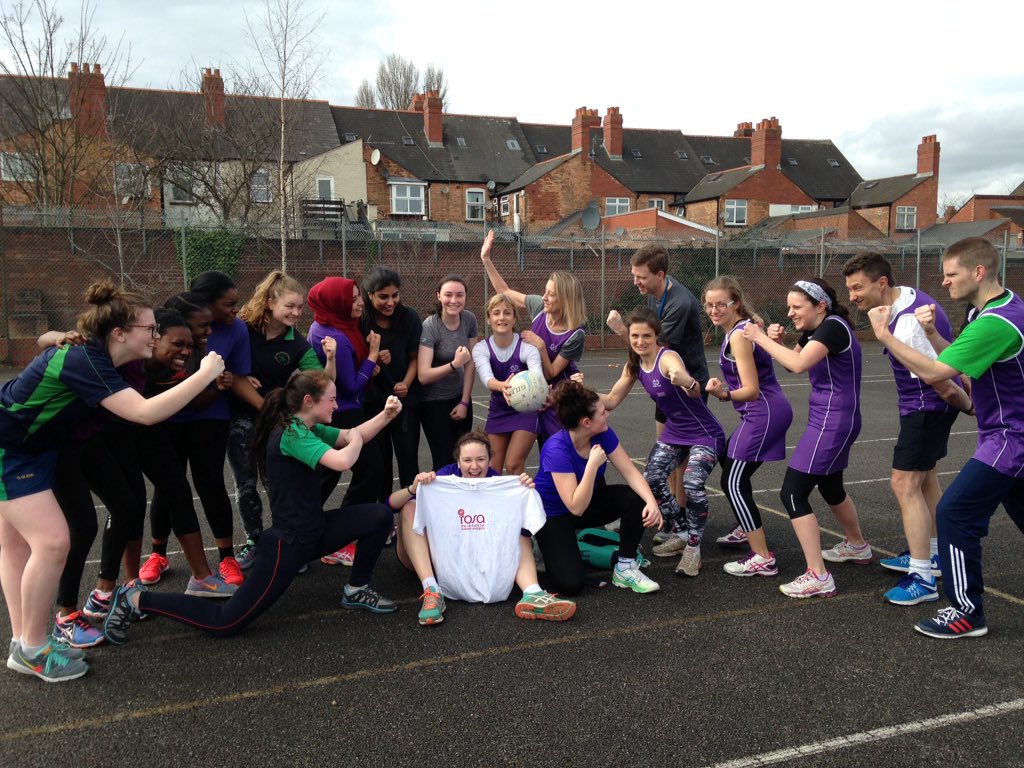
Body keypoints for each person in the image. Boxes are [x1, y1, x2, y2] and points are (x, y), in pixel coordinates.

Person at [0, 280, 224, 682]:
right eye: (150, 330)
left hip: (31, 446)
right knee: (52, 542)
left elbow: (53, 340)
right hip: (12, 448)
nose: (155, 336)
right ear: (120, 333)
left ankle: (24, 642)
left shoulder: (98, 353)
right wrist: (205, 373)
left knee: (15, 546)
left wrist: (52, 335)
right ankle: (34, 648)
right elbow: (143, 412)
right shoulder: (86, 359)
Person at [103, 372, 402, 645]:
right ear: (309, 401)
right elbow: (343, 460)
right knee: (225, 622)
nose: (336, 405)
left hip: (314, 532)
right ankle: (136, 599)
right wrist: (356, 437)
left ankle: (356, 589)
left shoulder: (306, 426)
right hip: (288, 545)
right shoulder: (292, 434)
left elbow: (351, 435)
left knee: (379, 516)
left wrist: (385, 416)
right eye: (332, 399)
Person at [867, 237, 1020, 639]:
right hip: (1004, 431)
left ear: (979, 272)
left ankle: (966, 612)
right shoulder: (993, 309)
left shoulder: (994, 322)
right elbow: (959, 363)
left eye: (952, 274)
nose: (944, 281)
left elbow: (936, 374)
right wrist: (934, 334)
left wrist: (885, 335)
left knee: (954, 513)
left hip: (1010, 437)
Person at [843, 253, 971, 606]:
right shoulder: (909, 298)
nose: (853, 295)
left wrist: (970, 405)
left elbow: (938, 380)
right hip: (926, 409)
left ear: (881, 283)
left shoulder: (906, 324)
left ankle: (922, 578)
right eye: (850, 288)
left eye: (858, 287)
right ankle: (934, 554)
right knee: (926, 478)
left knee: (904, 483)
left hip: (926, 409)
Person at [741, 278, 871, 598]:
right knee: (830, 485)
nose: (790, 313)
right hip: (831, 418)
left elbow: (797, 365)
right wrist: (781, 340)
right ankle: (857, 545)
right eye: (789, 307)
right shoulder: (820, 328)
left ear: (820, 305)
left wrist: (759, 337)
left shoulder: (833, 327)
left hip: (832, 422)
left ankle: (818, 575)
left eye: (797, 307)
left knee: (793, 493)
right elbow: (793, 359)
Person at [389, 430, 575, 626]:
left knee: (517, 524)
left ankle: (532, 592)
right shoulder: (442, 478)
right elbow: (390, 504)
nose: (475, 466)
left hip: (467, 556)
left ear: (490, 460)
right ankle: (431, 590)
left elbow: (526, 530)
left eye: (481, 459)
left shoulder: (500, 485)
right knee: (409, 507)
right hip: (425, 556)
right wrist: (413, 487)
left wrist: (523, 492)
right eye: (467, 460)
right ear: (458, 462)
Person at [143, 271, 254, 588]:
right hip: (167, 415)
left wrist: (228, 385)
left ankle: (227, 557)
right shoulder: (170, 327)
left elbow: (238, 374)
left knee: (210, 482)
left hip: (210, 414)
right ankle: (157, 553)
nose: (235, 310)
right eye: (228, 304)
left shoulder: (235, 331)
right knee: (169, 485)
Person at [602, 308, 725, 577]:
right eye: (635, 336)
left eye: (647, 336)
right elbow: (610, 400)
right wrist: (576, 394)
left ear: (657, 336)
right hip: (674, 432)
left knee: (692, 482)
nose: (640, 341)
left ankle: (694, 547)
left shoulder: (667, 357)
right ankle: (682, 532)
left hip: (704, 432)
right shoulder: (634, 364)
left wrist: (688, 381)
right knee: (653, 478)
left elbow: (691, 390)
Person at [228, 271, 334, 570]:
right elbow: (232, 374)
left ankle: (284, 541)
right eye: (290, 306)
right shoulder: (242, 329)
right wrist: (259, 399)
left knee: (278, 481)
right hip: (245, 417)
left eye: (300, 308)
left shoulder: (296, 343)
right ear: (270, 301)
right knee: (245, 483)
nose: (297, 313)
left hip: (274, 418)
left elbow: (320, 381)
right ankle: (254, 540)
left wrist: (331, 359)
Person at [606, 243, 709, 535]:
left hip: (686, 385)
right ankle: (669, 513)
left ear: (660, 274)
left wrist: (621, 332)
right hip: (664, 385)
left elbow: (655, 348)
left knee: (678, 457)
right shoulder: (654, 296)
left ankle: (679, 515)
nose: (635, 281)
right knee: (665, 452)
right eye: (634, 275)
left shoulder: (680, 303)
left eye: (641, 276)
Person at [532, 381, 663, 596]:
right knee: (570, 584)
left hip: (585, 502)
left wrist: (650, 502)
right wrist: (592, 465)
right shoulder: (556, 449)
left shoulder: (602, 433)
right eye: (602, 412)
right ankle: (547, 546)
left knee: (636, 499)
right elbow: (576, 507)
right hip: (554, 514)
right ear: (586, 422)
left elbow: (630, 472)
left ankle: (625, 568)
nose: (607, 415)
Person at [702, 276, 793, 577]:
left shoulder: (740, 336)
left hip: (763, 411)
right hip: (762, 410)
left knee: (732, 481)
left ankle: (762, 557)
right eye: (709, 305)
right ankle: (745, 525)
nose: (714, 311)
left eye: (721, 305)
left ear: (736, 304)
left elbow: (751, 389)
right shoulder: (742, 329)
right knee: (730, 463)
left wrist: (722, 393)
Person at [480, 229, 587, 442]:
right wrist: (486, 259)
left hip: (557, 397)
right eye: (545, 291)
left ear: (565, 299)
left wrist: (539, 346)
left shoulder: (575, 333)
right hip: (534, 389)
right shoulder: (539, 306)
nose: (544, 297)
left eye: (551, 294)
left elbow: (552, 372)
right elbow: (504, 290)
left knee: (559, 449)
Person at [306, 276, 378, 504]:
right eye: (353, 299)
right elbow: (351, 386)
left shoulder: (324, 324)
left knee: (328, 473)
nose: (360, 303)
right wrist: (373, 354)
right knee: (371, 470)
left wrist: (367, 365)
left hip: (331, 409)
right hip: (344, 412)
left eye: (359, 297)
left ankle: (304, 517)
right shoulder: (336, 336)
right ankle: (351, 521)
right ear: (337, 303)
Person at [471, 293, 544, 475]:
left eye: (507, 313)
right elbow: (487, 378)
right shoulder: (481, 348)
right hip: (499, 411)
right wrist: (502, 386)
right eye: (496, 313)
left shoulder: (527, 348)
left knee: (513, 465)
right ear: (488, 319)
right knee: (491, 471)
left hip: (525, 409)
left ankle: (521, 504)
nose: (501, 317)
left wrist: (540, 388)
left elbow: (536, 376)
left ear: (514, 318)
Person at [418, 274, 478, 470]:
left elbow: (470, 364)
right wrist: (454, 364)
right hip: (434, 402)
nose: (454, 300)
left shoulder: (469, 319)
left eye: (459, 295)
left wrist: (464, 402)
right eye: (448, 295)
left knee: (464, 458)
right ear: (438, 296)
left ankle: (463, 501)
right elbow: (423, 375)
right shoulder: (431, 325)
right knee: (443, 460)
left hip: (460, 398)